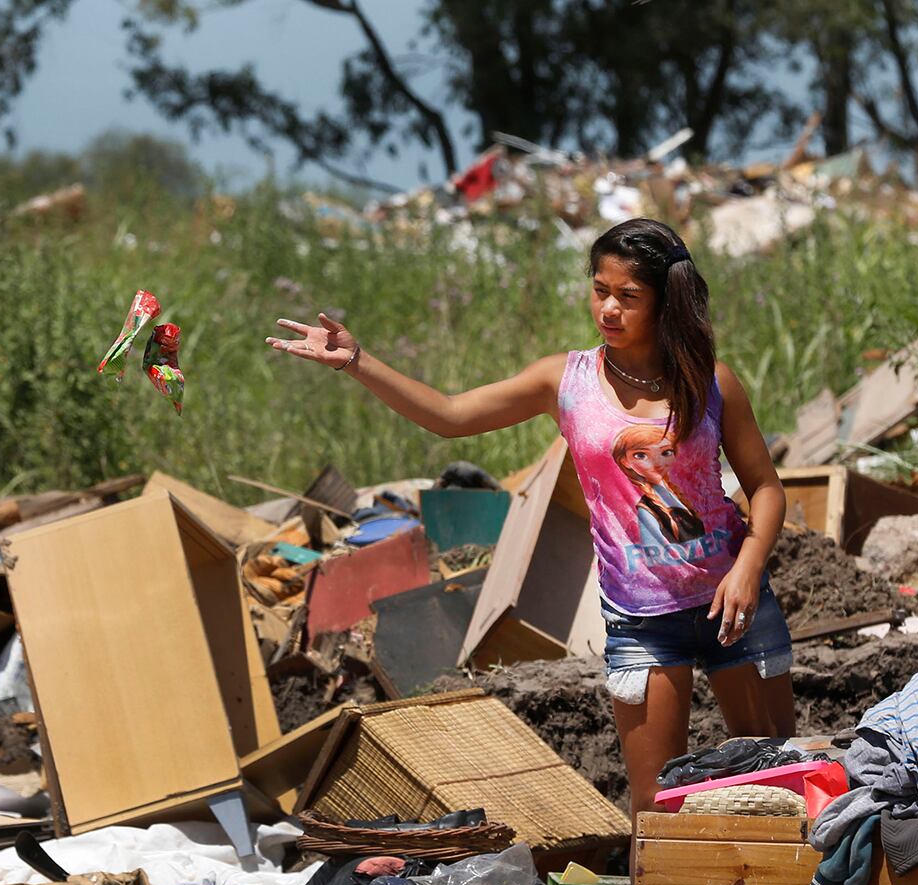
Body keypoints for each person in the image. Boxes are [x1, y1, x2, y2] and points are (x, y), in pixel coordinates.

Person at [266, 217, 796, 817]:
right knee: (656, 809)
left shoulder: (712, 382)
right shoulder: (565, 381)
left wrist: (748, 568)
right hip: (643, 619)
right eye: (600, 290)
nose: (608, 309)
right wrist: (358, 361)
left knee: (777, 785)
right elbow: (450, 416)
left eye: (628, 296)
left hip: (734, 605)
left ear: (665, 300)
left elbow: (765, 488)